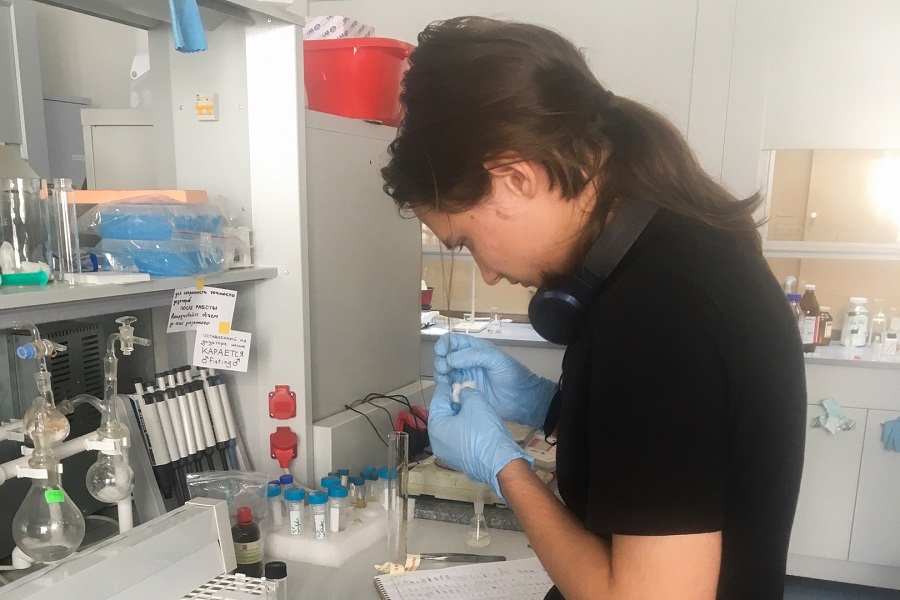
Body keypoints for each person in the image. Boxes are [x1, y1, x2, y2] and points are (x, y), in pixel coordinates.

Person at [381, 16, 806, 600]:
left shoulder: (657, 311)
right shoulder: (686, 250)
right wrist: (554, 406)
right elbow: (681, 445)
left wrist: (506, 469)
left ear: (516, 178)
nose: (489, 272)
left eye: (466, 241)